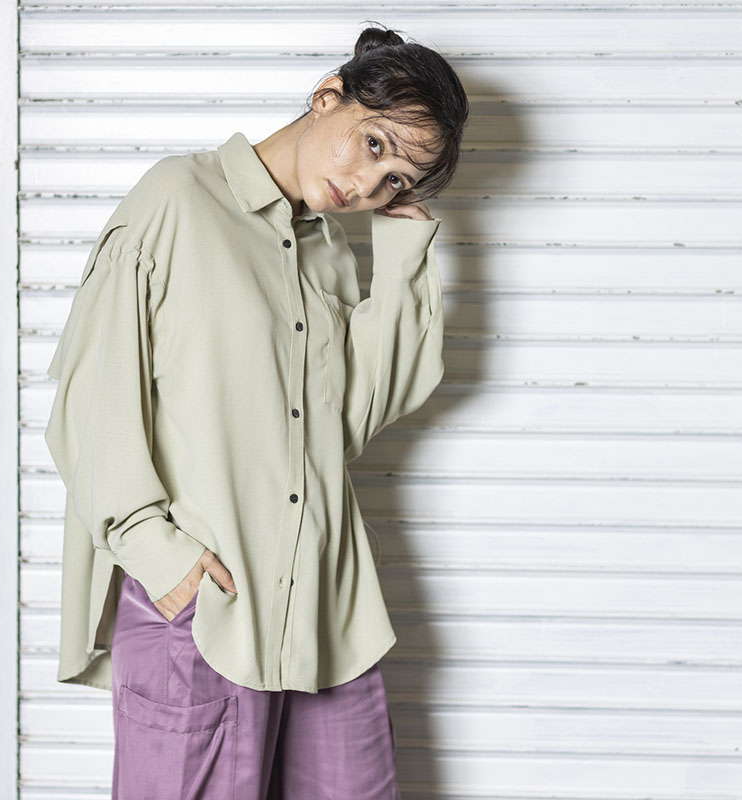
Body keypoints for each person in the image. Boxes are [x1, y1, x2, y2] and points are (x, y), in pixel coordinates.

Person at [44, 23, 468, 800]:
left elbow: (348, 422)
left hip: (324, 610)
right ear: (327, 97)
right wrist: (158, 554)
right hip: (204, 603)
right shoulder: (178, 199)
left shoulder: (329, 250)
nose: (369, 186)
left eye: (397, 181)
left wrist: (404, 257)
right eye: (373, 146)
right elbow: (92, 394)